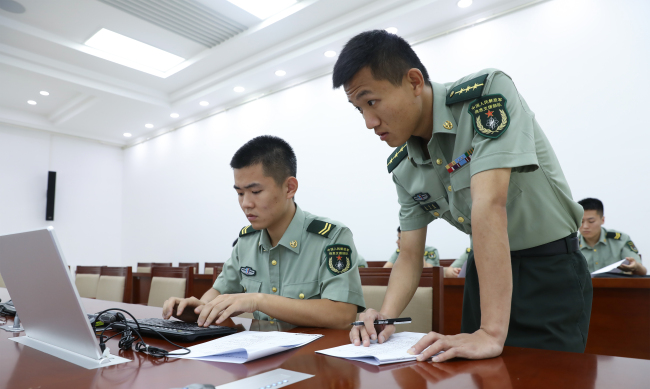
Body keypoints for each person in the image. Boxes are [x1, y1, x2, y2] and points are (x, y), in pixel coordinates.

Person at [333, 30, 591, 361]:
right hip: (484, 276)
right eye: (358, 109)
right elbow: (410, 255)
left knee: (550, 378)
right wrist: (383, 319)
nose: (369, 122)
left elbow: (489, 204)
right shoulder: (403, 165)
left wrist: (491, 332)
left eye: (372, 102)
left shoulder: (485, 95)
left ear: (414, 82)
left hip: (549, 271)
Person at [162, 136, 365, 329]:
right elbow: (220, 292)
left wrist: (258, 301)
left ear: (289, 188)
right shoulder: (246, 242)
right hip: (258, 358)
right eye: (240, 193)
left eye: (256, 192)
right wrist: (197, 308)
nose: (246, 204)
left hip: (313, 359)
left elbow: (342, 316)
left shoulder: (332, 237)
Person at [578, 198, 645, 275]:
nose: (585, 226)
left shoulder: (620, 240)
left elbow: (642, 271)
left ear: (602, 220)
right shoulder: (570, 245)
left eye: (591, 221)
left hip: (617, 286)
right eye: (581, 221)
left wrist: (635, 266)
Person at [384, 226, 458, 277]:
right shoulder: (399, 251)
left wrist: (416, 249)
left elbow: (427, 272)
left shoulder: (431, 251)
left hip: (429, 286)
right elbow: (386, 270)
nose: (397, 241)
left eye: (400, 238)